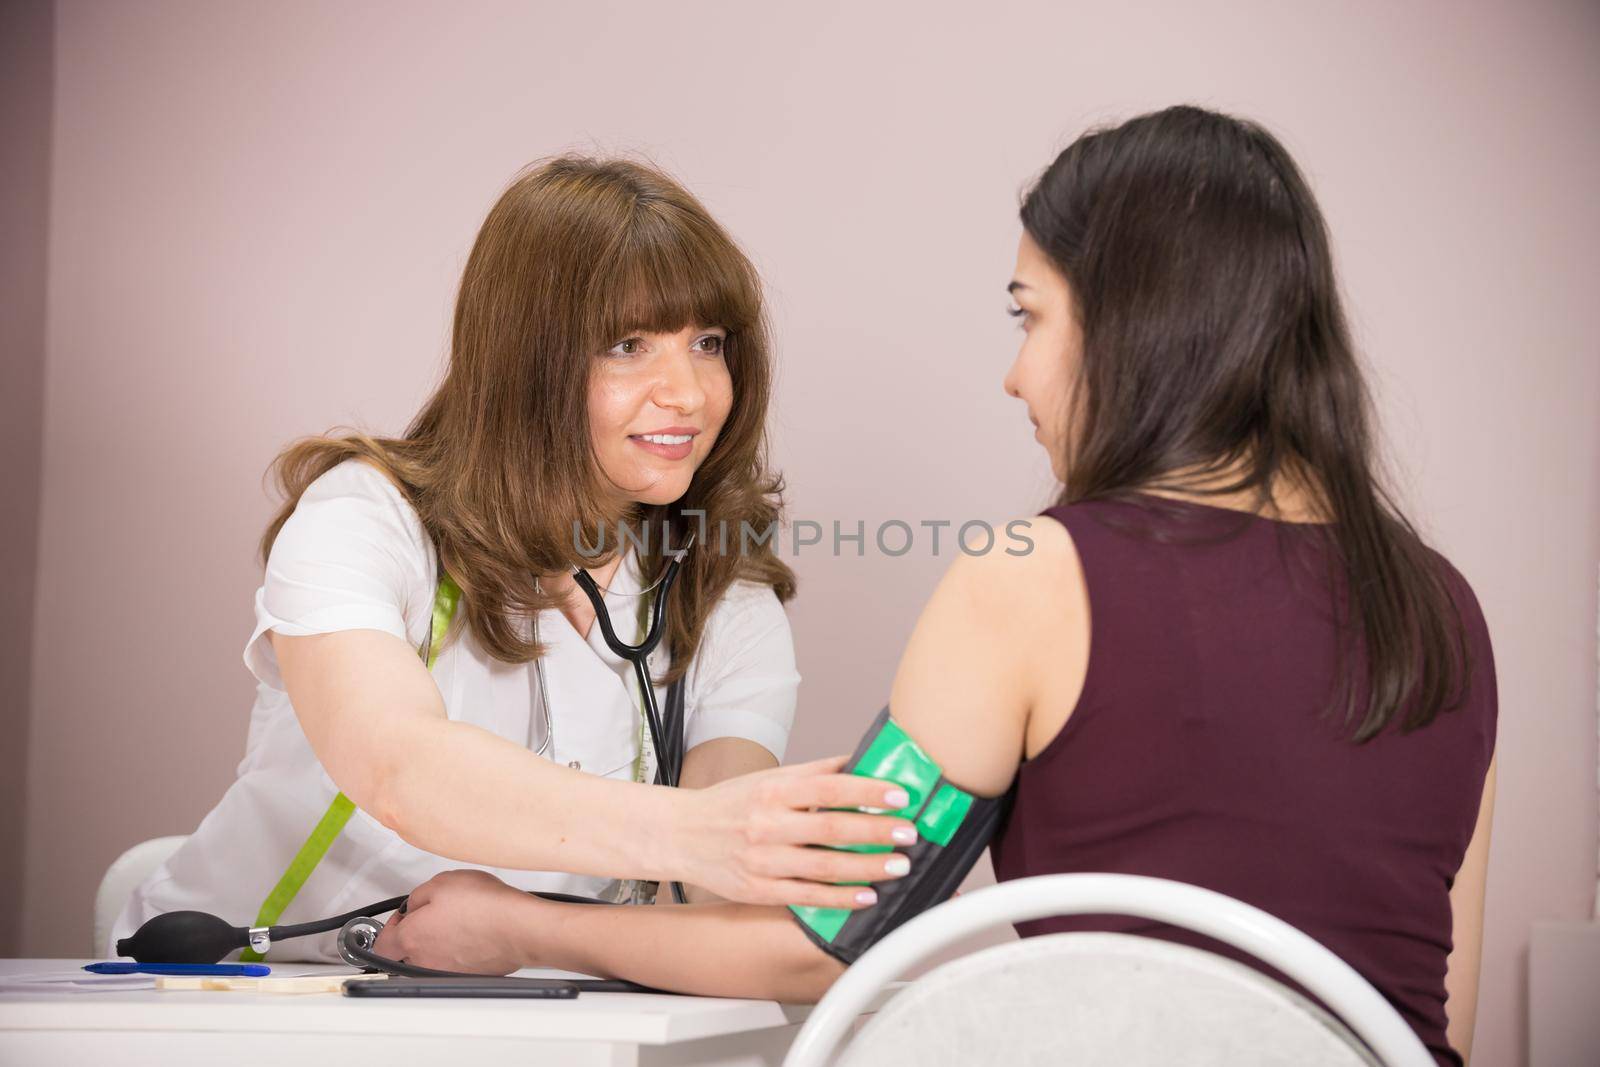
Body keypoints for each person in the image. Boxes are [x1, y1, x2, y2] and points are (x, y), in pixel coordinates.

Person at [375, 108, 1497, 1067]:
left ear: (1141, 325)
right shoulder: (1445, 606)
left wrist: (522, 924)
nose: (1015, 373)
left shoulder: (1036, 576)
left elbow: (817, 943)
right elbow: (1438, 999)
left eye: (1031, 316)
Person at [111, 156, 919, 963]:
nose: (690, 393)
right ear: (525, 361)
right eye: (628, 344)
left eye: (708, 343)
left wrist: (534, 926)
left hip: (523, 1012)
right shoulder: (364, 519)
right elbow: (400, 768)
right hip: (240, 992)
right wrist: (704, 832)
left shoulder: (721, 591)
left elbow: (729, 902)